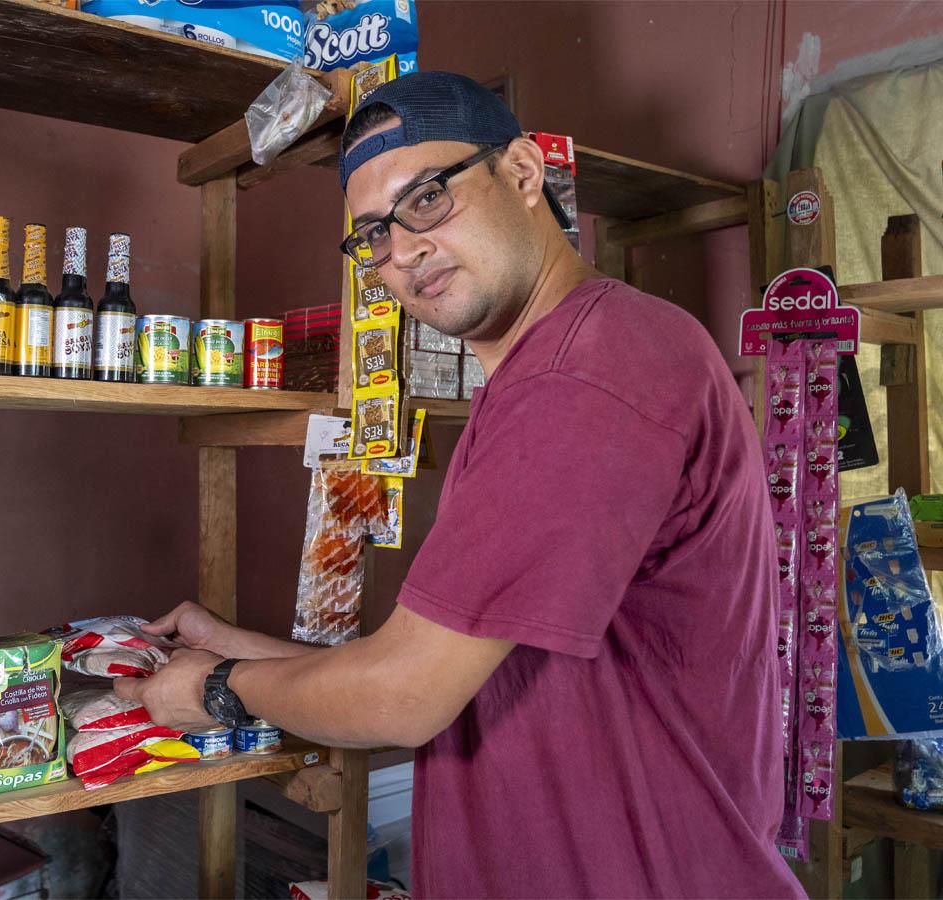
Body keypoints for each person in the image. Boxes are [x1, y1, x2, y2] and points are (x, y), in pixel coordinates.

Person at [116, 71, 805, 899]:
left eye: (428, 198)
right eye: (374, 234)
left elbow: (403, 696)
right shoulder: (550, 371)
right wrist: (230, 649)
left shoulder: (587, 376)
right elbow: (439, 670)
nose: (404, 251)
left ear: (522, 173)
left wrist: (215, 691)